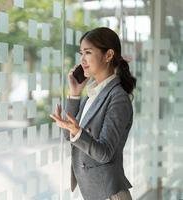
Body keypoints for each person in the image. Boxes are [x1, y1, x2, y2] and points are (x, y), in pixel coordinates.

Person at [50, 27, 136, 200]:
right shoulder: (93, 93)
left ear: (108, 55)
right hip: (94, 191)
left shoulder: (118, 98)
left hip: (110, 194)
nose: (82, 60)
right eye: (81, 53)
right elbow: (70, 136)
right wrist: (74, 94)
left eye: (88, 52)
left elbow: (104, 153)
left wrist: (77, 132)